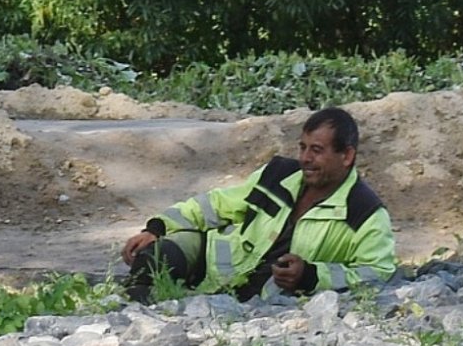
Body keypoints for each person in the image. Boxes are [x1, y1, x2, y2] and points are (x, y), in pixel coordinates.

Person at [121, 107, 395, 303]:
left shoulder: (366, 213)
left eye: (317, 150)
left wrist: (312, 276)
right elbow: (214, 205)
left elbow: (377, 272)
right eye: (302, 147)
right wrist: (156, 228)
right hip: (212, 266)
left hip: (264, 298)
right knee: (155, 257)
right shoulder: (278, 175)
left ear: (346, 156)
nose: (305, 158)